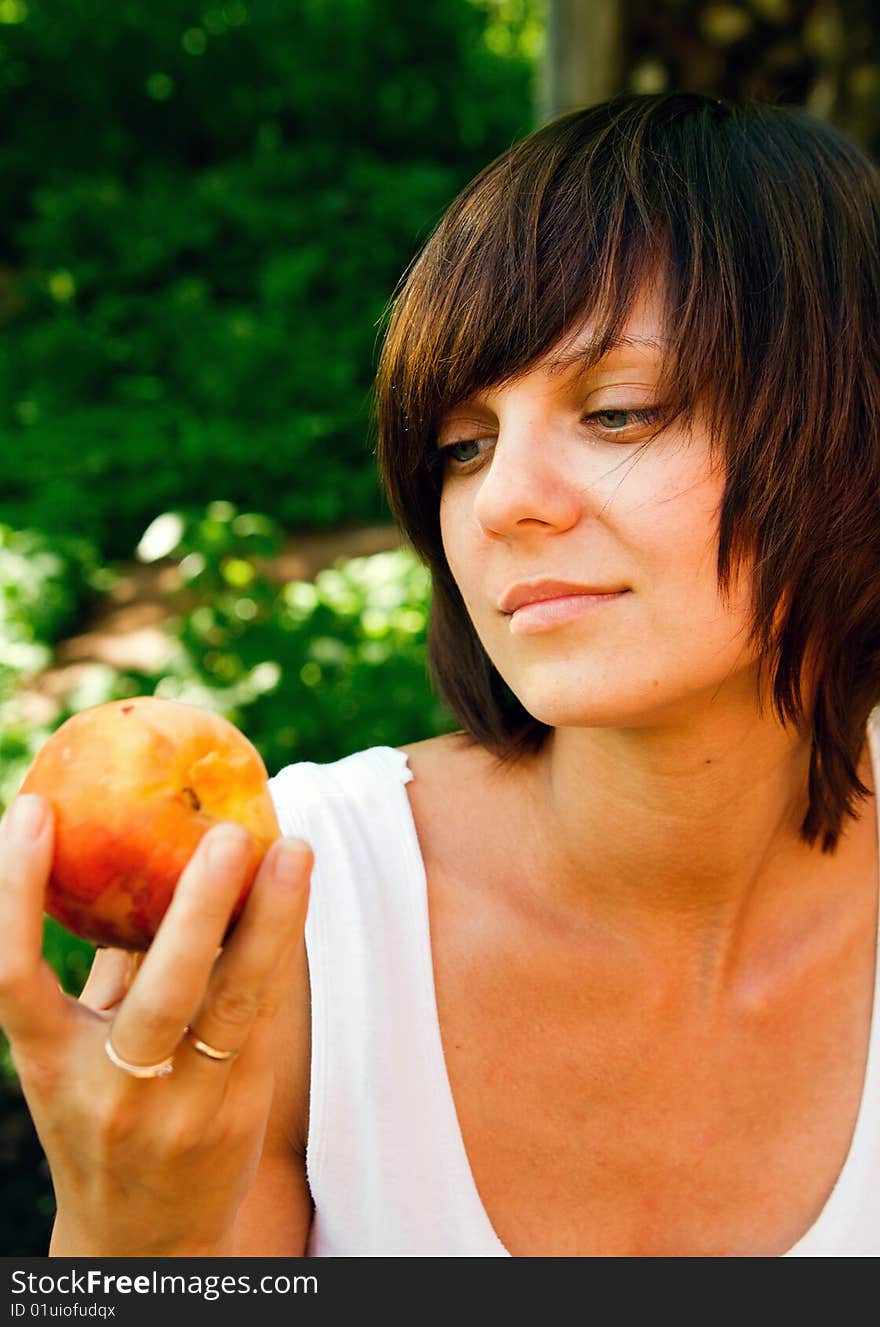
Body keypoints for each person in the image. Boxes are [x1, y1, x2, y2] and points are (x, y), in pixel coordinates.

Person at [1, 91, 879, 1258]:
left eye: (616, 411)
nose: (503, 500)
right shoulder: (298, 908)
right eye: (463, 446)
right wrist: (130, 1241)